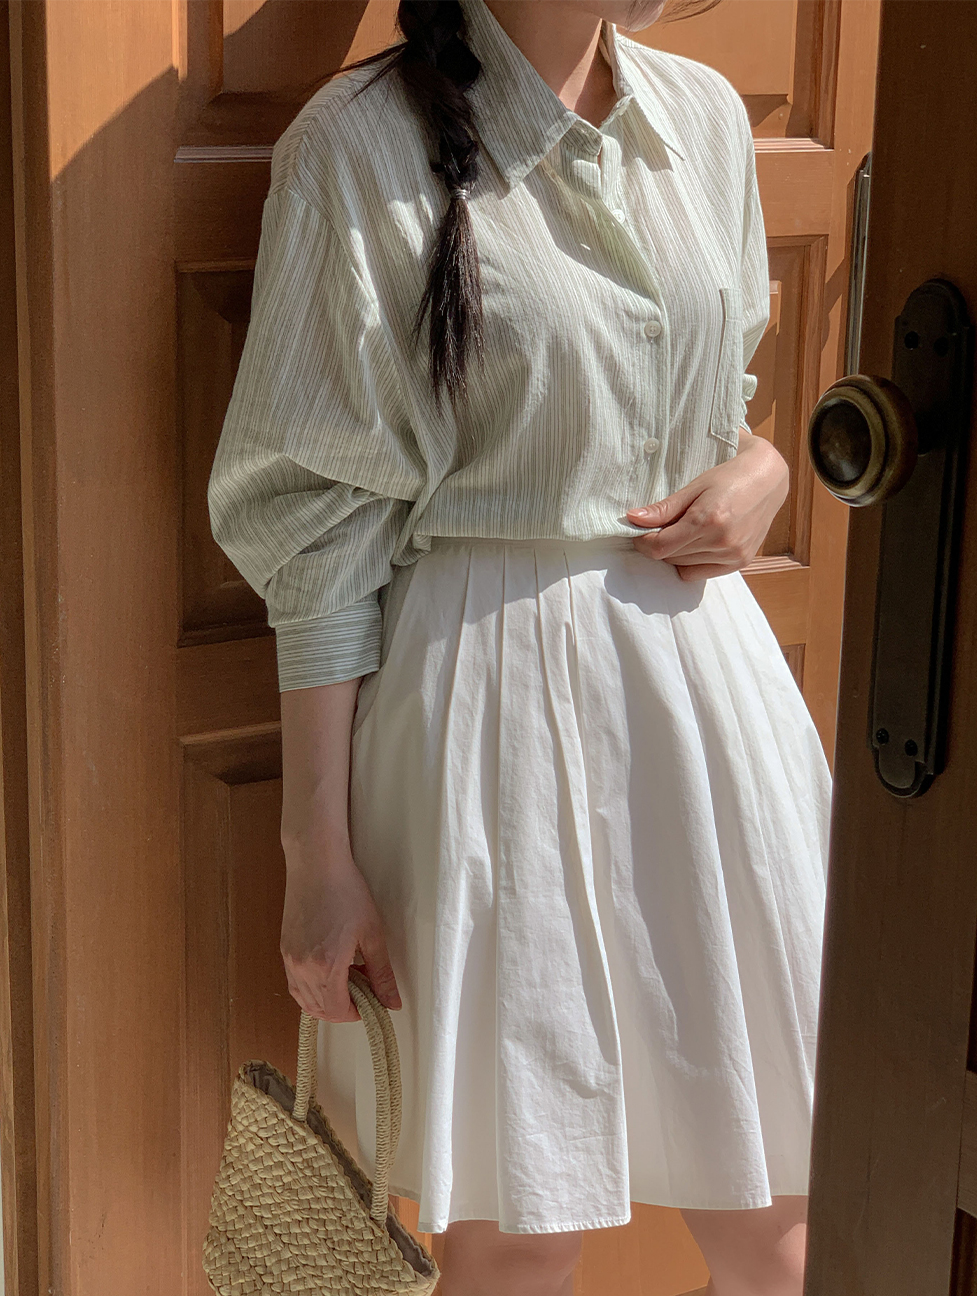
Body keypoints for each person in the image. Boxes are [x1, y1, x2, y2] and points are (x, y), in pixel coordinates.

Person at [207, 2, 830, 1293]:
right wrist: (316, 852)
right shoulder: (356, 145)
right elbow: (316, 528)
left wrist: (763, 469)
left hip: (706, 695)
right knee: (516, 1231)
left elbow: (718, 399)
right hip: (485, 700)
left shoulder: (701, 114)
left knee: (779, 1217)